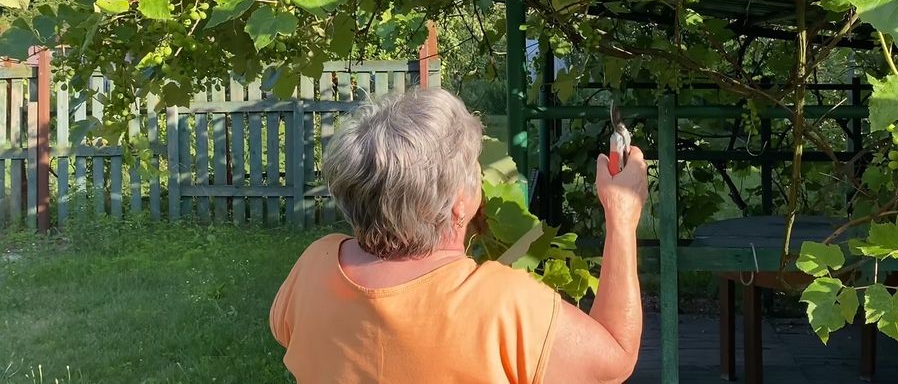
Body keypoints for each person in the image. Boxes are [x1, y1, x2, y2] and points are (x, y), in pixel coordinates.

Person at [269, 87, 649, 383]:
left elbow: (287, 331)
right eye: (472, 168)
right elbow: (614, 360)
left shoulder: (314, 268)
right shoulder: (503, 304)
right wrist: (621, 213)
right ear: (457, 207)